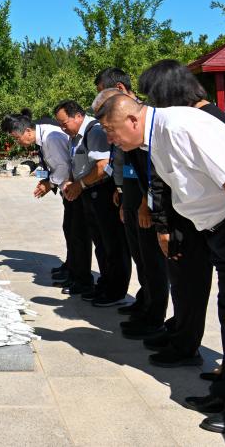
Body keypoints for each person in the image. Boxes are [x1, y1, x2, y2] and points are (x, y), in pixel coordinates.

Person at [98, 93, 225, 435]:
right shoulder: (154, 137)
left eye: (110, 130)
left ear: (131, 120)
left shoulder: (180, 127)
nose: (110, 139)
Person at [136, 59, 225, 369]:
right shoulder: (186, 118)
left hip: (204, 220)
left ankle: (187, 345)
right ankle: (181, 333)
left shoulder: (205, 119)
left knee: (192, 283)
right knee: (182, 282)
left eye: (152, 96)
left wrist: (164, 224)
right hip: (189, 215)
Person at [94, 68, 168, 340]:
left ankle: (154, 315)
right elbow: (124, 161)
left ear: (120, 91)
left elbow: (152, 170)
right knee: (139, 254)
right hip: (130, 191)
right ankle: (145, 300)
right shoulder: (122, 123)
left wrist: (146, 203)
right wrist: (121, 189)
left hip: (145, 196)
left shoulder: (142, 121)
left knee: (151, 258)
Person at [55, 100, 131, 307]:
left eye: (64, 123)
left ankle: (116, 291)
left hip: (102, 192)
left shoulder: (94, 131)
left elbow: (103, 166)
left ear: (78, 116)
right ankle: (105, 284)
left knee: (112, 244)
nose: (62, 128)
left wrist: (80, 184)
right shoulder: (75, 137)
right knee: (101, 244)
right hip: (89, 193)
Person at [0, 113, 77, 288]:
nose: (17, 142)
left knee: (76, 234)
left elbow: (63, 167)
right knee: (69, 229)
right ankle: (71, 267)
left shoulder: (51, 137)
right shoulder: (42, 137)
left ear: (28, 131)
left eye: (17, 138)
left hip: (74, 188)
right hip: (66, 188)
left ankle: (79, 277)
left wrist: (49, 184)